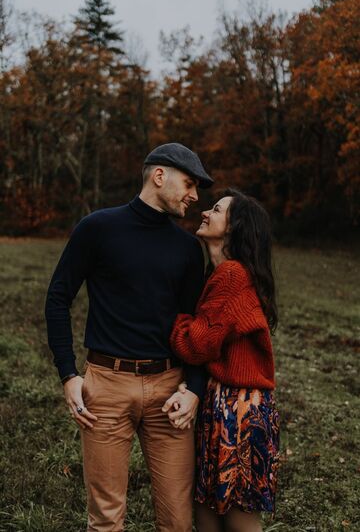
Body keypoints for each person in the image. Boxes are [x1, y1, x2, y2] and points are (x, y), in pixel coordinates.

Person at [45, 142, 214, 532]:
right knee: (105, 520)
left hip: (169, 391)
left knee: (176, 520)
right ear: (159, 176)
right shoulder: (98, 228)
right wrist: (69, 375)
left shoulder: (189, 248)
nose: (194, 196)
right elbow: (58, 298)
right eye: (189, 184)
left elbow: (196, 327)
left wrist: (194, 388)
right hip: (105, 387)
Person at [170, 189, 280, 532]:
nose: (205, 211)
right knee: (208, 514)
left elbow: (195, 345)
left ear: (233, 228)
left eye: (215, 210)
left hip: (240, 413)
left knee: (237, 518)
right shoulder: (218, 274)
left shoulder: (233, 276)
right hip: (221, 407)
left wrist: (173, 317)